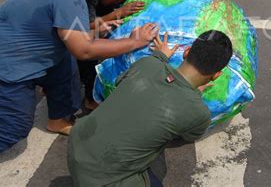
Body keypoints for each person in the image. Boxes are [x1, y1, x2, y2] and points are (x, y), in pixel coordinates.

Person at [0, 0, 159, 162]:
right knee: (10, 130)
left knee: (64, 61)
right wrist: (135, 42)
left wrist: (101, 26)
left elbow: (74, 29)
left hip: (5, 53)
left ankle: (58, 119)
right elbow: (83, 50)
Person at [68, 30, 233, 187]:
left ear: (186, 52)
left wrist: (159, 56)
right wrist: (194, 96)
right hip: (102, 181)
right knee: (158, 163)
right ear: (216, 75)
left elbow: (122, 83)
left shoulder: (146, 63)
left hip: (76, 145)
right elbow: (186, 136)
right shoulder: (199, 113)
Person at [78, 0, 146, 111]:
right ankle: (89, 98)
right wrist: (119, 13)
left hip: (93, 19)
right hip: (78, 29)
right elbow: (86, 24)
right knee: (89, 58)